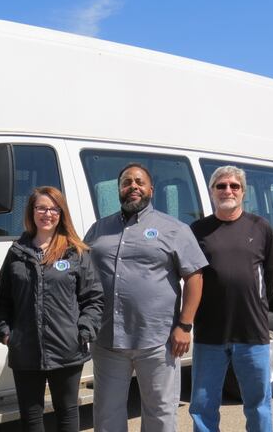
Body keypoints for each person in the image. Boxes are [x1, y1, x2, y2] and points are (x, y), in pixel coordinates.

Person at [84, 163, 207, 432]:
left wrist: (185, 326)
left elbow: (195, 277)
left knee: (160, 411)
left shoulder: (174, 229)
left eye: (139, 182)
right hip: (108, 340)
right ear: (118, 190)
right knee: (106, 413)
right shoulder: (98, 230)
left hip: (158, 340)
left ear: (151, 189)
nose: (133, 187)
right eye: (126, 182)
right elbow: (82, 276)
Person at [0, 186, 103, 432]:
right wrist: (5, 329)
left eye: (54, 209)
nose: (47, 214)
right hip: (25, 349)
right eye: (41, 208)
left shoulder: (76, 252)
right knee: (31, 418)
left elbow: (93, 298)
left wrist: (84, 330)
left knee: (67, 413)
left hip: (67, 347)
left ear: (61, 213)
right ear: (31, 212)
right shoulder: (17, 253)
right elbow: (3, 300)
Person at [188, 165, 273, 432]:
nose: (228, 190)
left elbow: (271, 276)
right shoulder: (198, 230)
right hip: (210, 334)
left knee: (258, 404)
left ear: (243, 192)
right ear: (212, 191)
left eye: (234, 186)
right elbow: (192, 276)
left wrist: (257, 306)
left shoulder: (261, 228)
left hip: (252, 333)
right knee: (203, 406)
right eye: (221, 185)